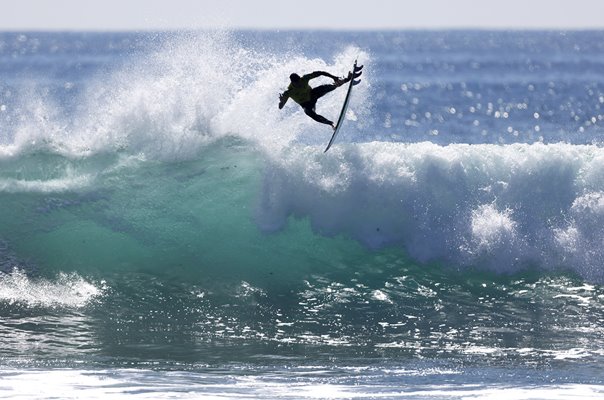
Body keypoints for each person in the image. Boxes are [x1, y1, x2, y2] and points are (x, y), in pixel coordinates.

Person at [278, 70, 353, 129]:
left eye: (300, 82)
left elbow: (320, 73)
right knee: (309, 113)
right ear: (292, 83)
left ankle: (346, 79)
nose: (300, 84)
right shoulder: (288, 92)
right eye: (297, 83)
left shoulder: (304, 78)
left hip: (313, 95)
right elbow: (280, 107)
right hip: (306, 105)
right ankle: (331, 124)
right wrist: (281, 101)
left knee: (325, 87)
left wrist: (333, 77)